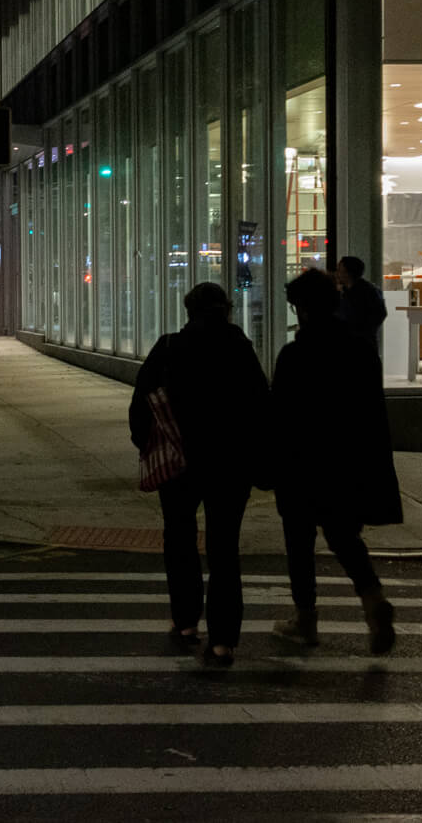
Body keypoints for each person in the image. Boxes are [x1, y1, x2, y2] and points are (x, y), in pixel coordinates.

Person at [129, 281, 270, 667]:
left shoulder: (170, 347)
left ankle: (186, 620)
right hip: (230, 463)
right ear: (226, 309)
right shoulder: (240, 348)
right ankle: (223, 639)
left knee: (179, 537)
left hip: (179, 460)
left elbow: (141, 403)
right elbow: (261, 406)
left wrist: (147, 443)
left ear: (188, 310)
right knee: (224, 548)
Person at [269, 267, 403, 654]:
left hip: (303, 463)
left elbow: (281, 415)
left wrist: (271, 463)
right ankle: (373, 599)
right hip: (349, 463)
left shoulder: (295, 354)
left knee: (299, 542)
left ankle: (305, 619)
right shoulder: (361, 350)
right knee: (345, 537)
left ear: (303, 310)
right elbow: (372, 413)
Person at [332, 255, 388, 356]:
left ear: (348, 273)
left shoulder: (364, 293)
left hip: (360, 346)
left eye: (340, 270)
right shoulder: (365, 290)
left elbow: (378, 314)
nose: (337, 274)